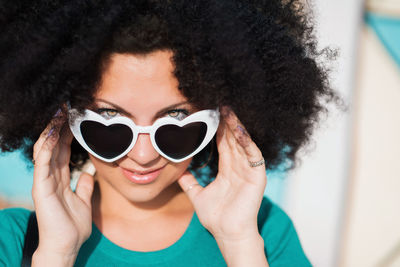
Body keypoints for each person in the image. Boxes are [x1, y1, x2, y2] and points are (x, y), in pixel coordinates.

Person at [0, 0, 337, 266]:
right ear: (63, 116)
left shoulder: (263, 231)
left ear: (222, 114)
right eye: (110, 119)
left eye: (175, 119)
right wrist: (56, 256)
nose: (144, 156)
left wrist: (239, 246)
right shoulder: (15, 242)